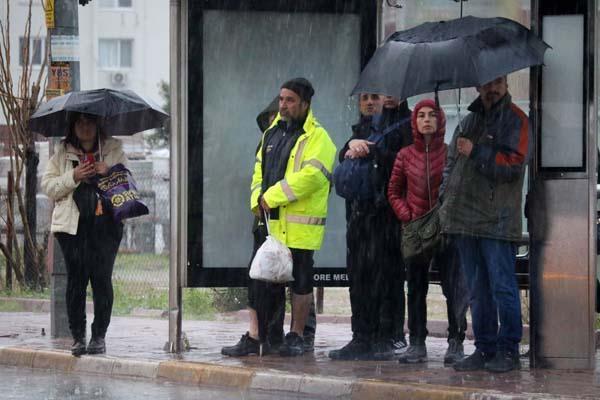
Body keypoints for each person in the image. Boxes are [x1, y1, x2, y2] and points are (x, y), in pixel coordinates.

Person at [222, 78, 336, 357]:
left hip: (298, 226)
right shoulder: (271, 132)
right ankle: (255, 336)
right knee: (258, 278)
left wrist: (272, 197)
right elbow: (258, 169)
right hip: (267, 222)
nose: (283, 105)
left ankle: (296, 336)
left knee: (300, 282)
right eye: (282, 99)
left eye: (290, 100)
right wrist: (256, 201)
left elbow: (310, 177)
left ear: (305, 104)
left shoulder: (318, 137)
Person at [440, 75, 529, 373]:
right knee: (477, 289)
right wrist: (445, 198)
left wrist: (477, 151)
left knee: (503, 287)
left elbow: (514, 166)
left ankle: (508, 350)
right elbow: (451, 164)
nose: (492, 89)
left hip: (497, 221)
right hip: (464, 221)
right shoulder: (468, 122)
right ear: (477, 87)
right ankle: (484, 348)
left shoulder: (516, 120)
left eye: (498, 83)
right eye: (487, 84)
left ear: (506, 85)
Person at [329, 93, 405, 361]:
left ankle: (388, 336)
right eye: (367, 98)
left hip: (388, 215)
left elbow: (406, 161)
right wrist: (352, 144)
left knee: (387, 278)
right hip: (359, 214)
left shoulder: (408, 124)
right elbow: (343, 156)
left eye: (376, 97)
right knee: (359, 277)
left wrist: (376, 151)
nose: (372, 102)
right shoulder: (363, 127)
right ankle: (361, 336)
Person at [42, 113, 126, 356]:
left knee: (101, 280)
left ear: (98, 124)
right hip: (72, 228)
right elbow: (48, 186)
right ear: (73, 126)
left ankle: (99, 336)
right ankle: (78, 337)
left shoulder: (113, 148)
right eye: (80, 122)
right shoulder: (62, 152)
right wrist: (74, 176)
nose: (85, 127)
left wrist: (107, 171)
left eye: (90, 122)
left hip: (106, 226)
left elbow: (127, 184)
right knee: (76, 282)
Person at [387, 99, 447, 363]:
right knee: (416, 287)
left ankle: (456, 340)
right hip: (415, 230)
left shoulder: (449, 153)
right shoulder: (405, 155)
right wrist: (407, 215)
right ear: (414, 121)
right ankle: (417, 342)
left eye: (431, 115)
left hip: (445, 230)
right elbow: (393, 191)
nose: (426, 120)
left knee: (453, 286)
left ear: (440, 120)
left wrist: (445, 215)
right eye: (421, 115)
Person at [381, 95, 413, 351]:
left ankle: (396, 331)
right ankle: (377, 330)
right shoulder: (375, 123)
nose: (388, 96)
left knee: (395, 275)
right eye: (384, 91)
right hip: (375, 210)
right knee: (377, 274)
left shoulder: (410, 123)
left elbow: (407, 163)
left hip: (400, 211)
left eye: (393, 91)